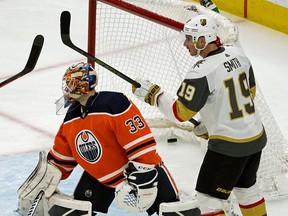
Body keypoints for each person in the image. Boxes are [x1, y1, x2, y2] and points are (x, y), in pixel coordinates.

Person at [17, 62, 201, 216]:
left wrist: (144, 173)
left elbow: (140, 143)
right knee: (76, 210)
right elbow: (62, 158)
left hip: (139, 174)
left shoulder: (114, 104)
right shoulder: (71, 117)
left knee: (172, 211)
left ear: (83, 85)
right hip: (101, 178)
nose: (67, 89)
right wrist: (46, 176)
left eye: (71, 84)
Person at [132, 14, 268, 216]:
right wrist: (212, 124)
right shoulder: (238, 55)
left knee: (207, 200)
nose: (185, 43)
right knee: (247, 190)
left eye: (189, 38)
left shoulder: (201, 71)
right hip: (255, 138)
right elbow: (249, 94)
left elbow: (180, 113)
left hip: (229, 148)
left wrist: (155, 95)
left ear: (202, 41)